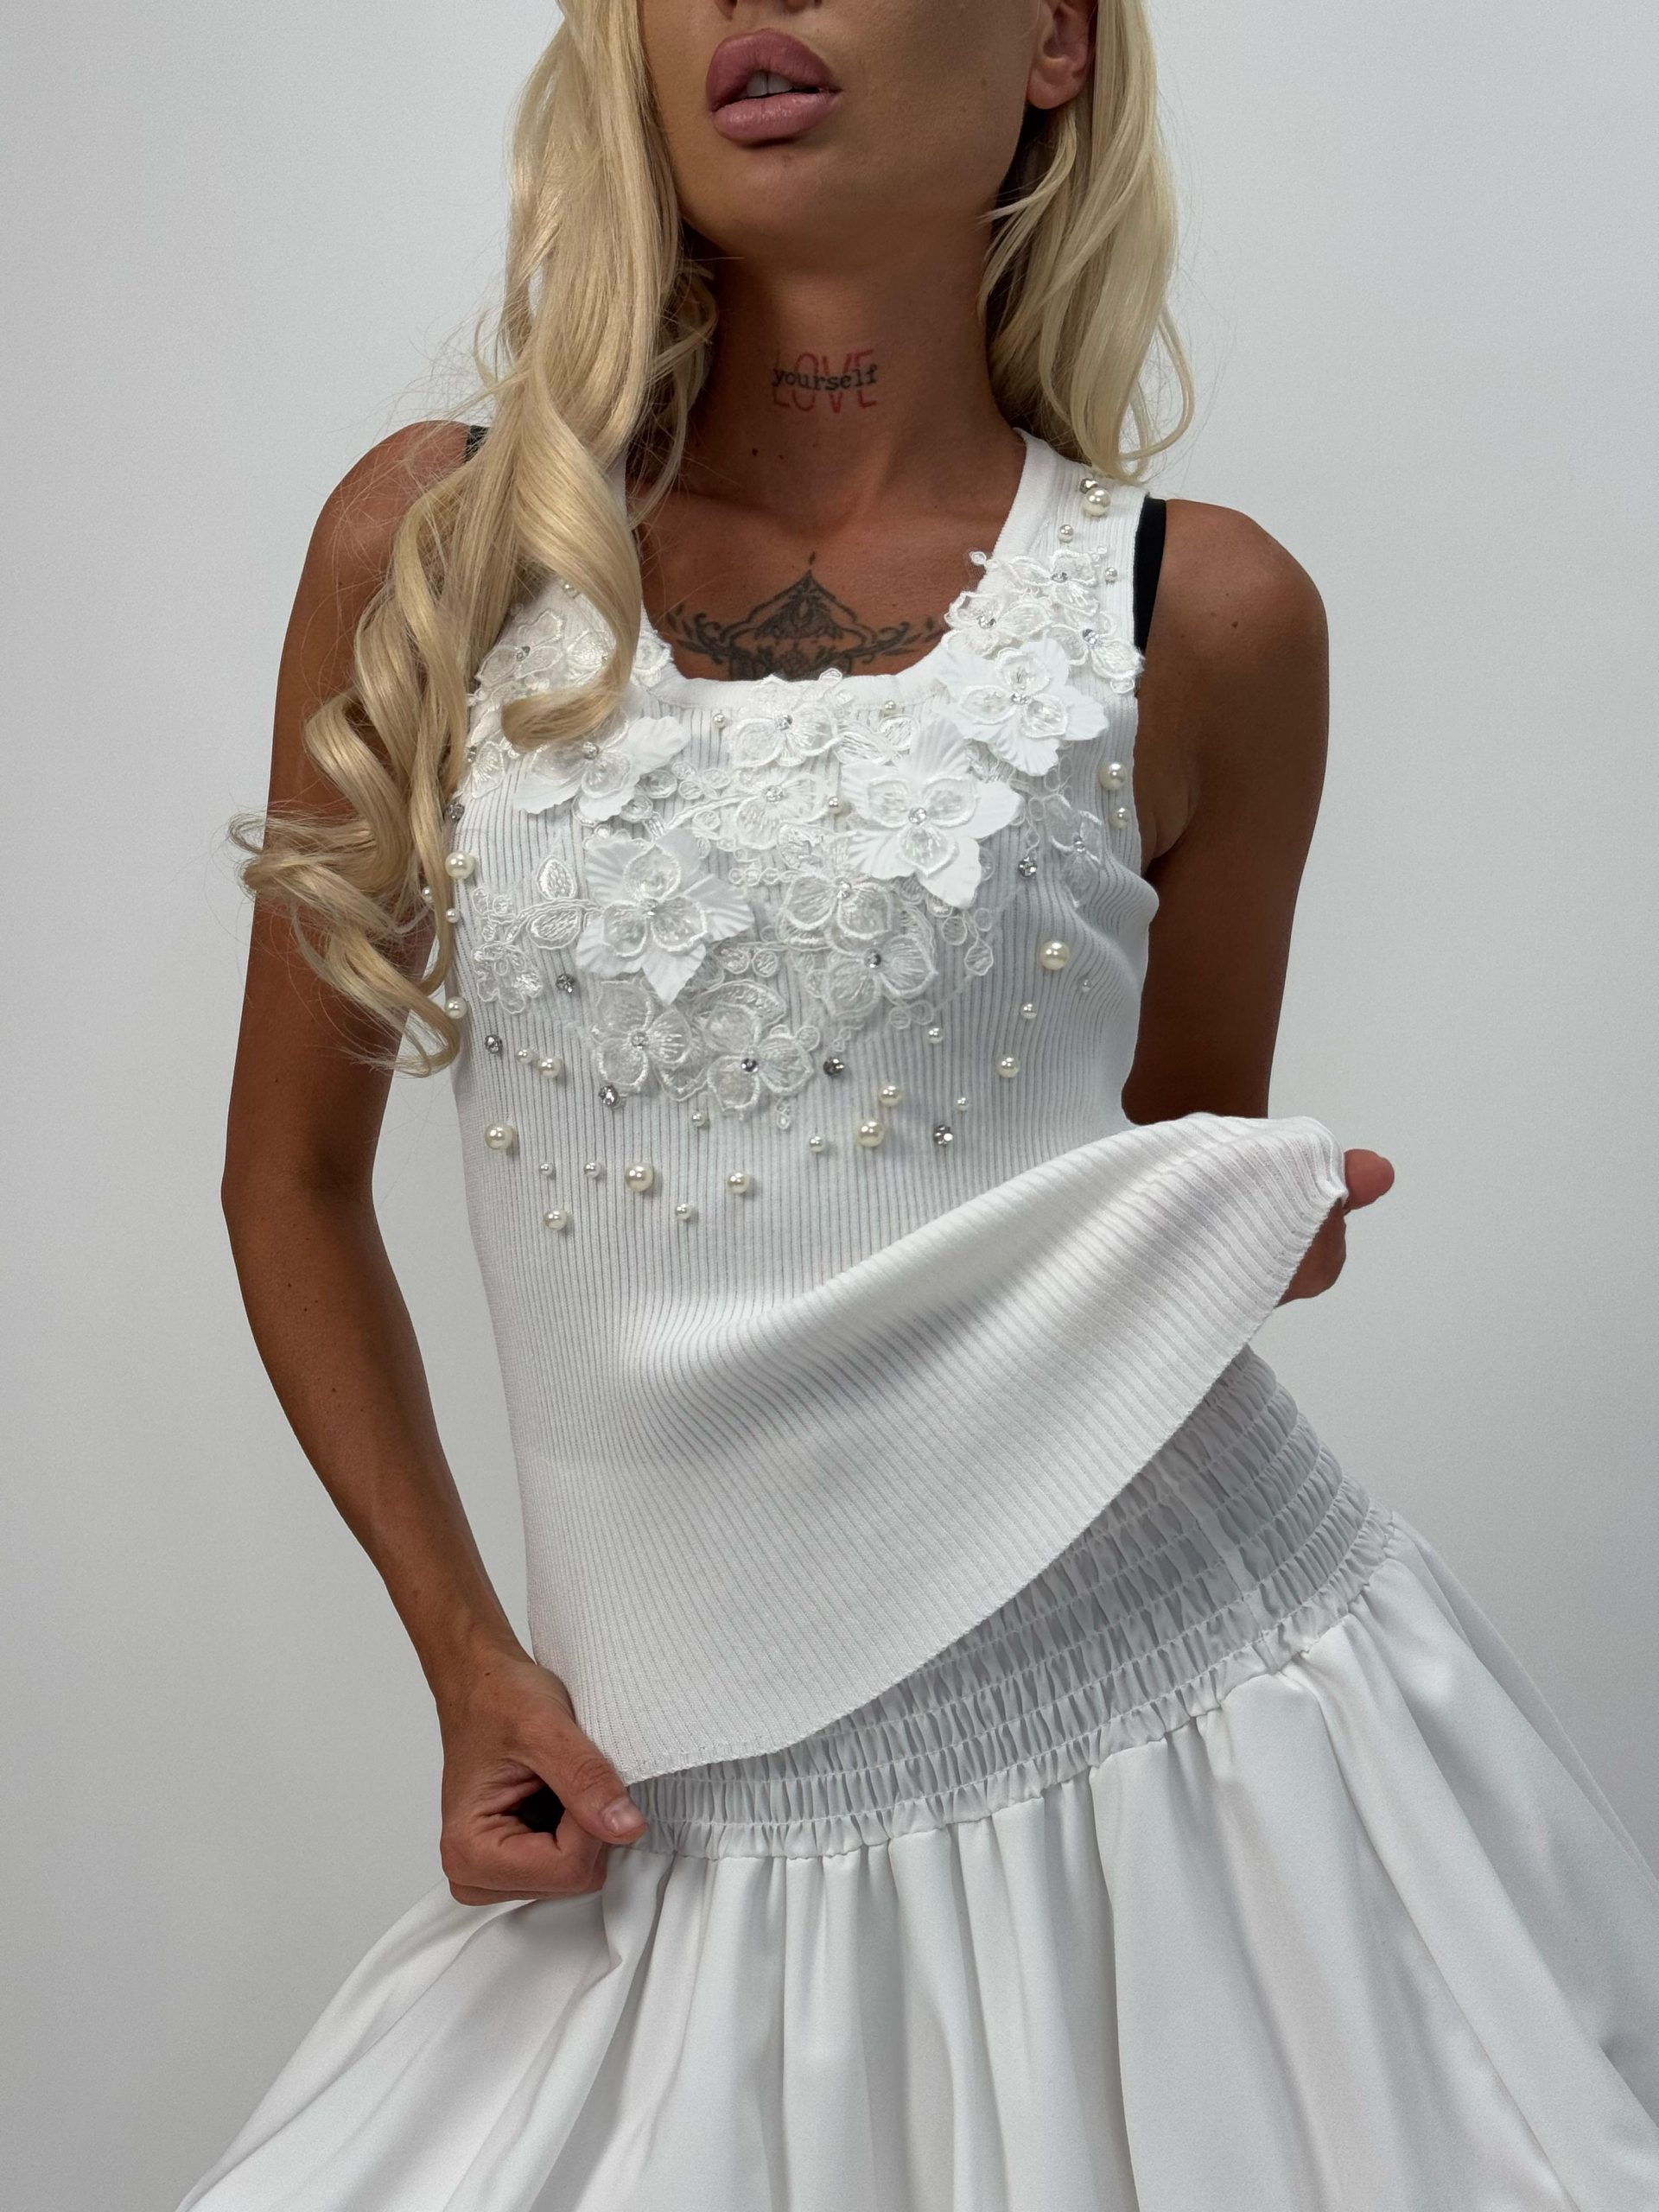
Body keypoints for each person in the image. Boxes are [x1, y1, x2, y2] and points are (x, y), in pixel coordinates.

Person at [179, 3, 1659, 2206]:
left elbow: (1154, 1209)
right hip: (672, 1796)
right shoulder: (443, 546)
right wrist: (465, 1652)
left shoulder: (1210, 618)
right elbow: (287, 1181)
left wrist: (1253, 1226)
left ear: (1054, 38)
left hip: (1186, 1758)